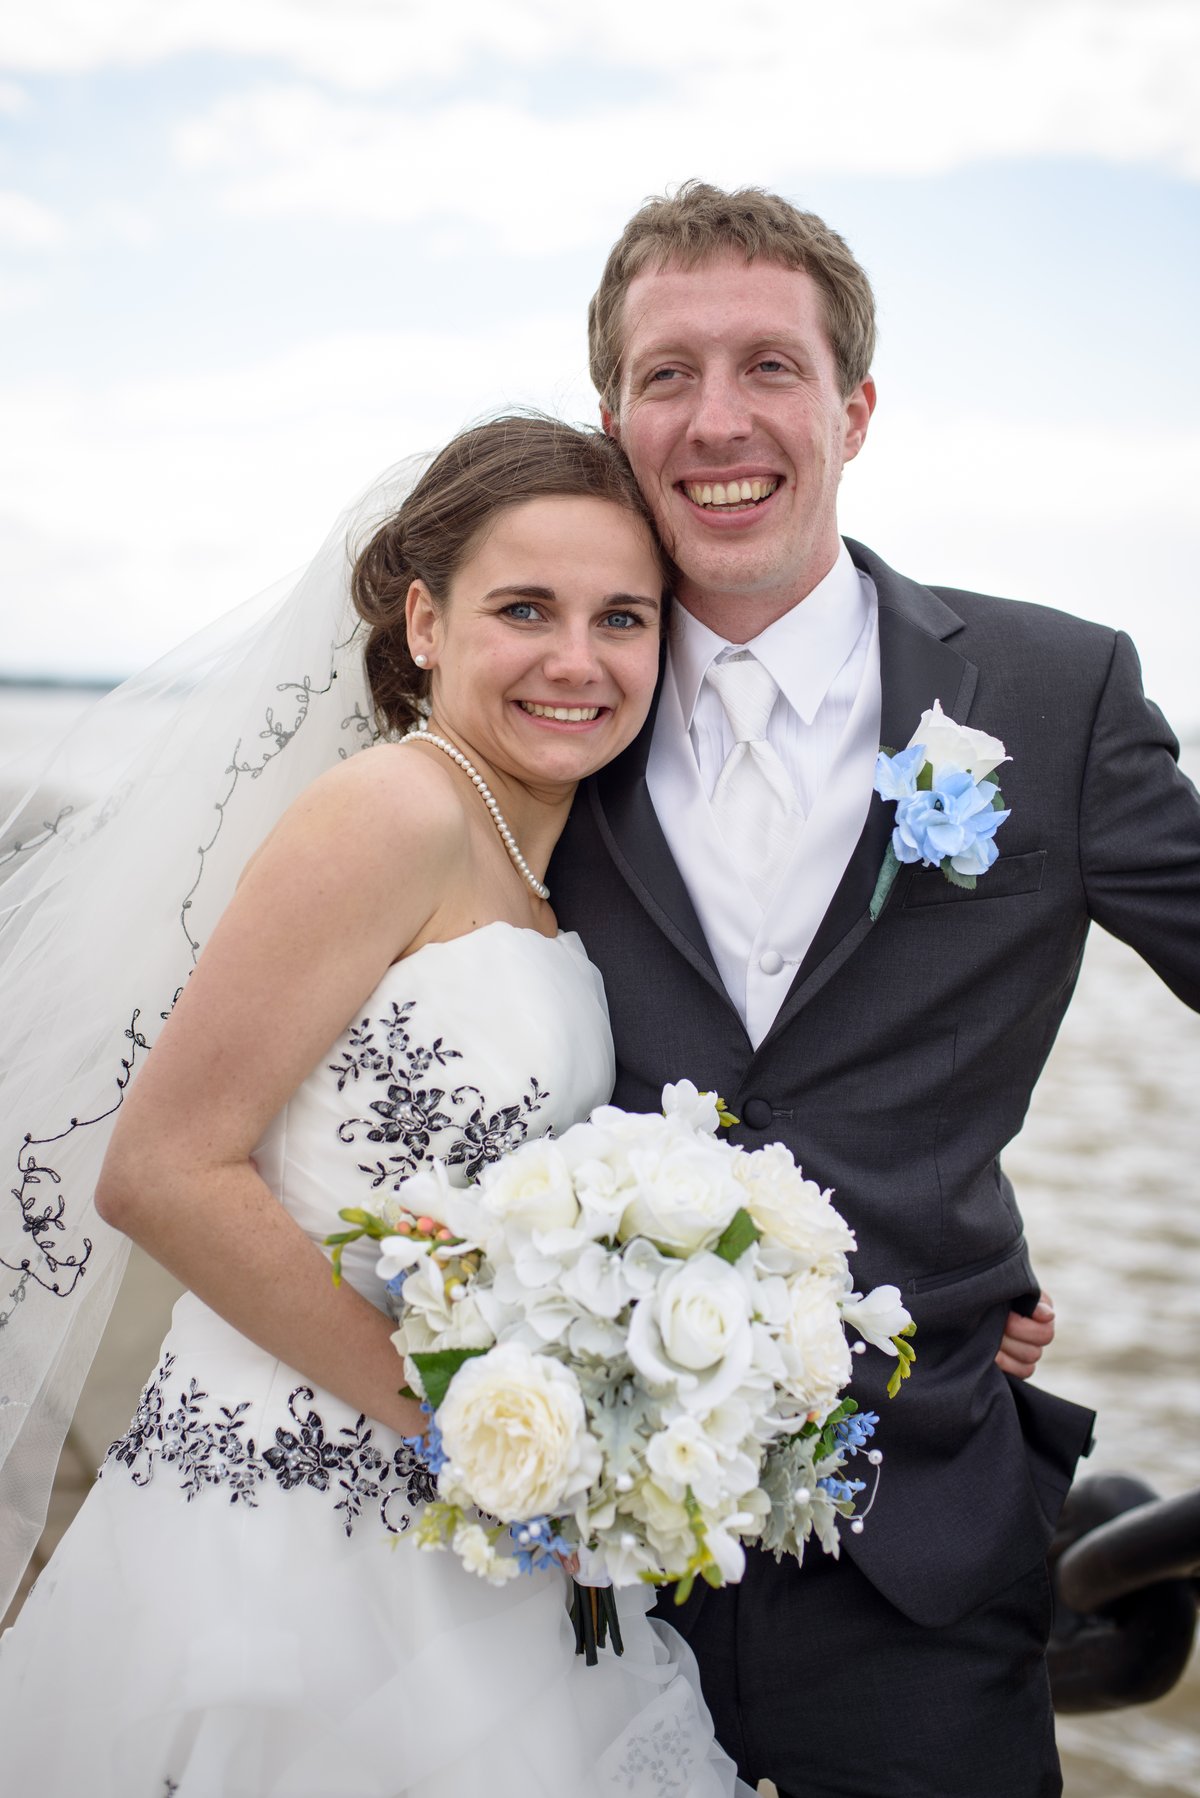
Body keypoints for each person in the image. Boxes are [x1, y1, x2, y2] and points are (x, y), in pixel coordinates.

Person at [548, 182, 1200, 1797]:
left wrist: (968, 1255)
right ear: (612, 417)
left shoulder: (1056, 694)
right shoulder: (540, 705)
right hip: (568, 1555)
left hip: (925, 1550)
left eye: (768, 365)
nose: (718, 420)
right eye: (666, 374)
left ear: (854, 409)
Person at [0, 416, 755, 1796]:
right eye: (525, 608)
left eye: (623, 617)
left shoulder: (536, 855)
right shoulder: (387, 814)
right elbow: (162, 1169)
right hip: (293, 1528)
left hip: (480, 1524)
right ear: (423, 621)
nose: (578, 659)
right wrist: (461, 1416)